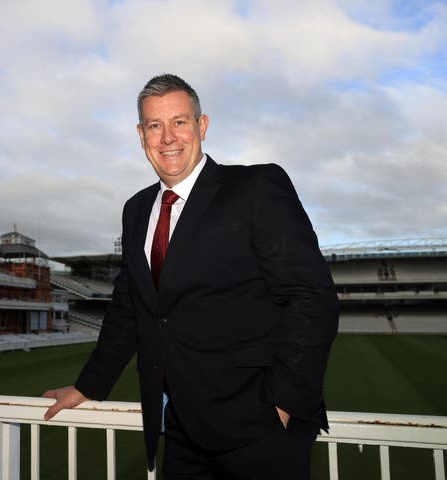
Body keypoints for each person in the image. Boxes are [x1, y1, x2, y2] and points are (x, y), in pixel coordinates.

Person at [43, 74, 339, 479]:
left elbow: (312, 297)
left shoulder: (255, 187)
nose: (168, 137)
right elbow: (131, 306)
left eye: (179, 122)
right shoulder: (136, 210)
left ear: (201, 126)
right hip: (180, 430)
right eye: (154, 125)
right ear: (140, 135)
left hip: (261, 428)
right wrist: (89, 385)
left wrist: (281, 406)